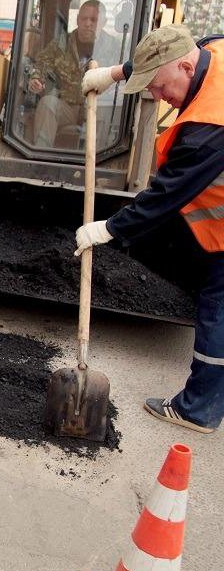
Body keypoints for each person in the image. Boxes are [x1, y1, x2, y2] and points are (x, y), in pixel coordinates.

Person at [77, 24, 224, 434]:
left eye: (159, 87)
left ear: (184, 66)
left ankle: (198, 411)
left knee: (218, 309)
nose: (158, 97)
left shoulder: (210, 128)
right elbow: (179, 48)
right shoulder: (212, 49)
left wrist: (108, 228)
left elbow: (164, 197)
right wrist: (115, 73)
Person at [28, 0, 120, 147]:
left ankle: (95, 163)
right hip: (68, 107)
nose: (88, 23)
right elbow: (41, 64)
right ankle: (39, 159)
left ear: (104, 22)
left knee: (105, 113)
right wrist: (36, 78)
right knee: (47, 103)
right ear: (77, 20)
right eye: (84, 19)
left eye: (94, 20)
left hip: (97, 108)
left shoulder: (114, 48)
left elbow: (120, 82)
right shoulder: (61, 43)